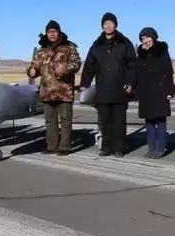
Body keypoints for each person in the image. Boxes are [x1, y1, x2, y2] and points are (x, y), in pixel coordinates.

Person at [80, 12, 136, 157]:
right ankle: (106, 147)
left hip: (120, 88)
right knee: (105, 121)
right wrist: (85, 83)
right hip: (103, 88)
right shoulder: (97, 45)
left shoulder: (124, 43)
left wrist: (130, 83)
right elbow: (89, 65)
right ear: (102, 26)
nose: (108, 26)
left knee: (119, 121)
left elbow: (132, 65)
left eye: (111, 23)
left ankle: (119, 148)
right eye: (105, 23)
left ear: (115, 25)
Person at [27, 20, 81, 156]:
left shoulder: (68, 48)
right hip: (47, 91)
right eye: (49, 32)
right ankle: (52, 146)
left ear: (59, 33)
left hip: (64, 91)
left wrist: (65, 69)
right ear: (46, 33)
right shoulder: (42, 50)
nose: (52, 34)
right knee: (50, 121)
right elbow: (34, 65)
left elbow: (76, 63)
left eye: (54, 31)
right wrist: (31, 71)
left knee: (65, 121)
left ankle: (64, 147)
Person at [133, 27, 175, 158]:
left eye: (147, 37)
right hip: (145, 91)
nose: (145, 40)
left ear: (154, 38)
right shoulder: (141, 53)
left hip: (160, 90)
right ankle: (151, 148)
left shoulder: (161, 50)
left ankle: (160, 148)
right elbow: (137, 73)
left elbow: (168, 71)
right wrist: (136, 90)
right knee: (149, 121)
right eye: (143, 38)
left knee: (160, 120)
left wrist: (169, 90)